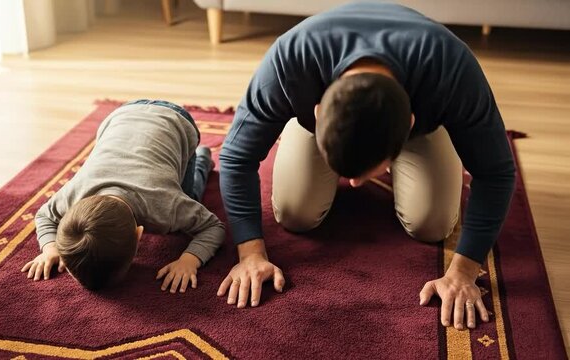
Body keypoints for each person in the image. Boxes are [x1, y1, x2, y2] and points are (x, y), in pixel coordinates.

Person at [217, 2, 515, 332]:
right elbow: (235, 157)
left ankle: (434, 138)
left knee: (432, 225)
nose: (355, 183)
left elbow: (496, 173)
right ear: (317, 112)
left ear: (409, 126)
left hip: (427, 120)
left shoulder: (451, 68)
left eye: (364, 173)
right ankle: (295, 131)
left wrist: (463, 271)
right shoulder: (290, 60)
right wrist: (251, 253)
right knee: (295, 214)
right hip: (320, 115)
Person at [21, 99, 225, 292]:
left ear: (139, 234)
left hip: (177, 123)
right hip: (119, 116)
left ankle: (202, 159)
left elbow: (213, 226)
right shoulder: (73, 194)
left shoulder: (167, 203)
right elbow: (44, 215)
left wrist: (189, 260)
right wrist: (49, 248)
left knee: (191, 200)